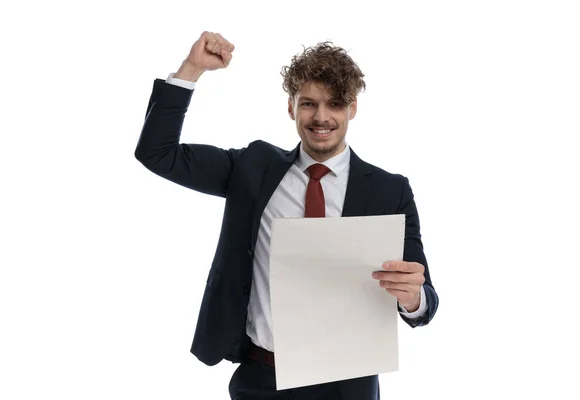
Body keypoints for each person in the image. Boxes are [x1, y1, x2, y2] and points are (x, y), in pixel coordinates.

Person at [135, 31, 439, 400]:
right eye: (308, 103)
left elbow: (424, 301)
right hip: (263, 379)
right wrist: (192, 69)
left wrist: (412, 298)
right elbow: (158, 153)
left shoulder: (391, 191)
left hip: (348, 386)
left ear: (353, 108)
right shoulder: (252, 167)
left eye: (335, 104)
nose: (321, 117)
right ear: (291, 107)